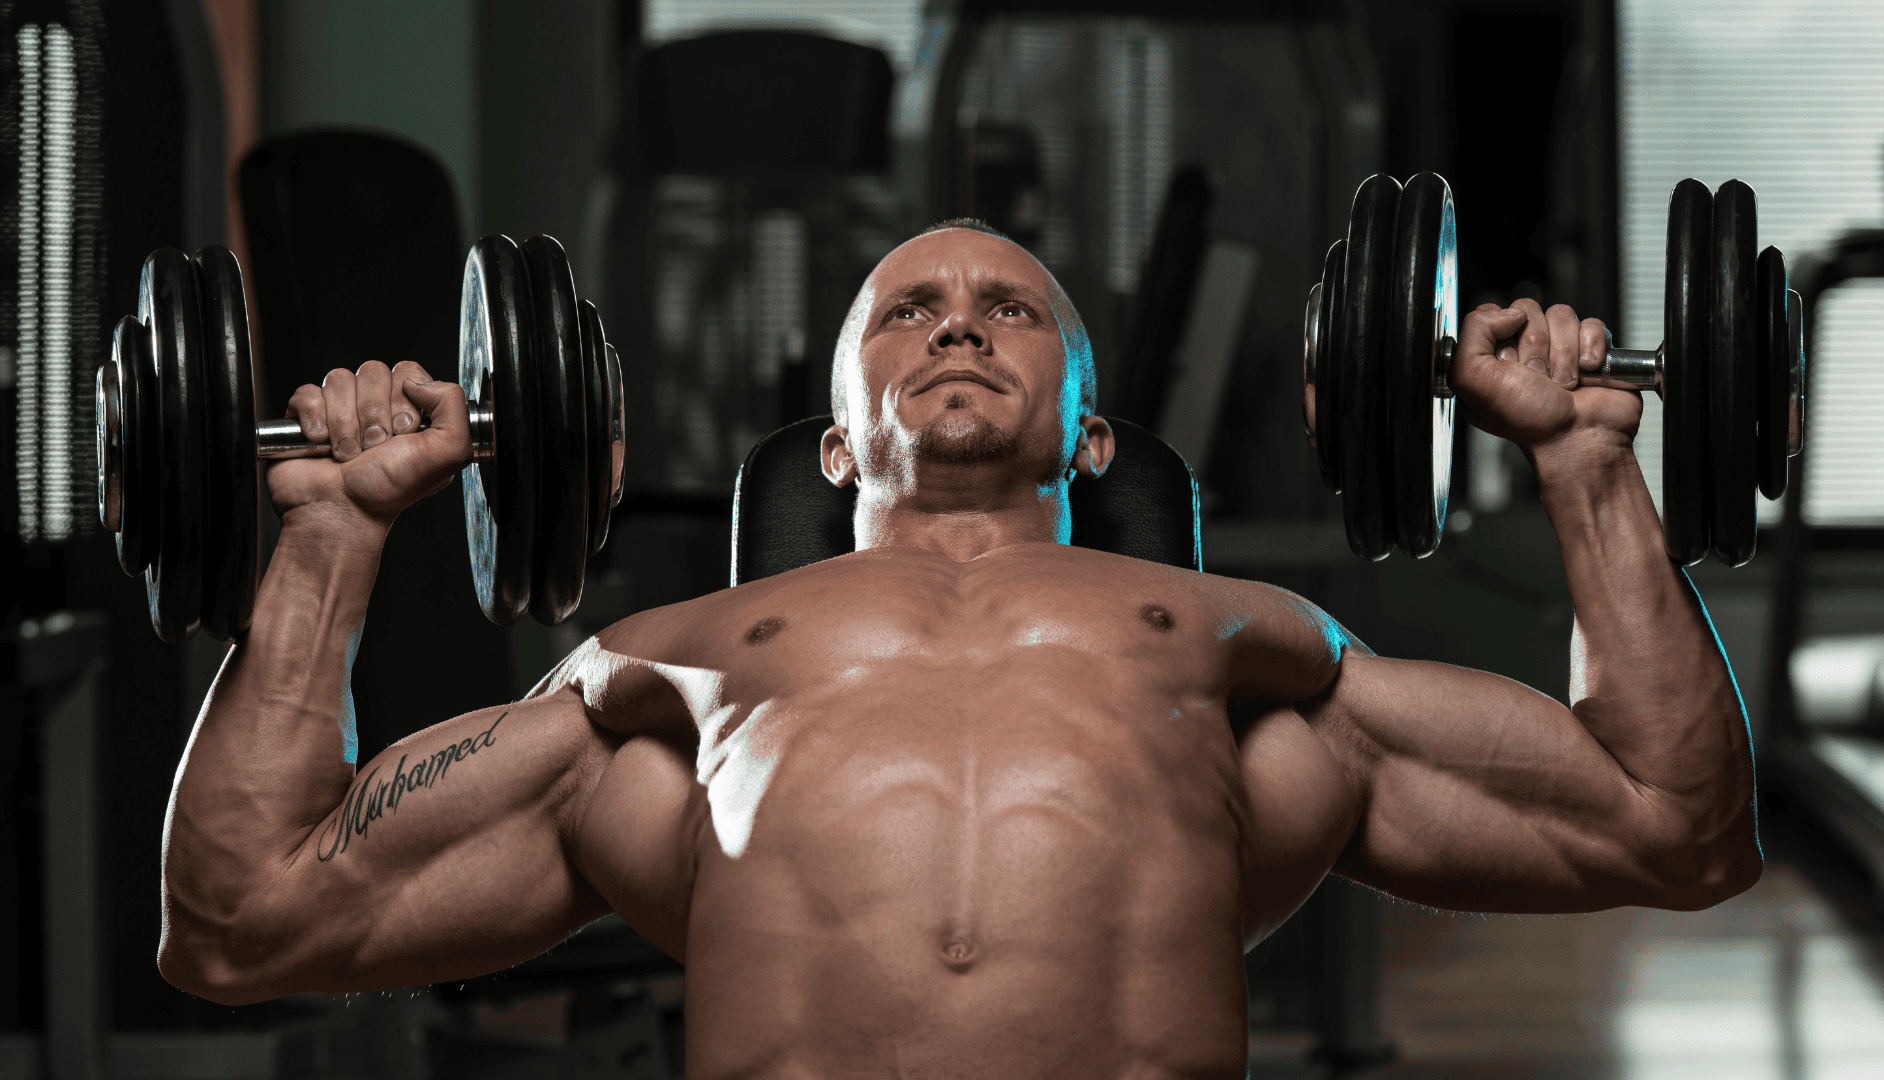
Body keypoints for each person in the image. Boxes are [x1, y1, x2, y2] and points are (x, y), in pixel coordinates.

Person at [159, 220, 1759, 1079]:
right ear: (834, 446)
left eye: (1011, 307)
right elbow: (244, 922)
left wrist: (1587, 461)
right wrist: (328, 534)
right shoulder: (665, 676)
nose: (958, 323)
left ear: (1091, 433)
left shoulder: (1249, 662)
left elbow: (1673, 824)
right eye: (903, 310)